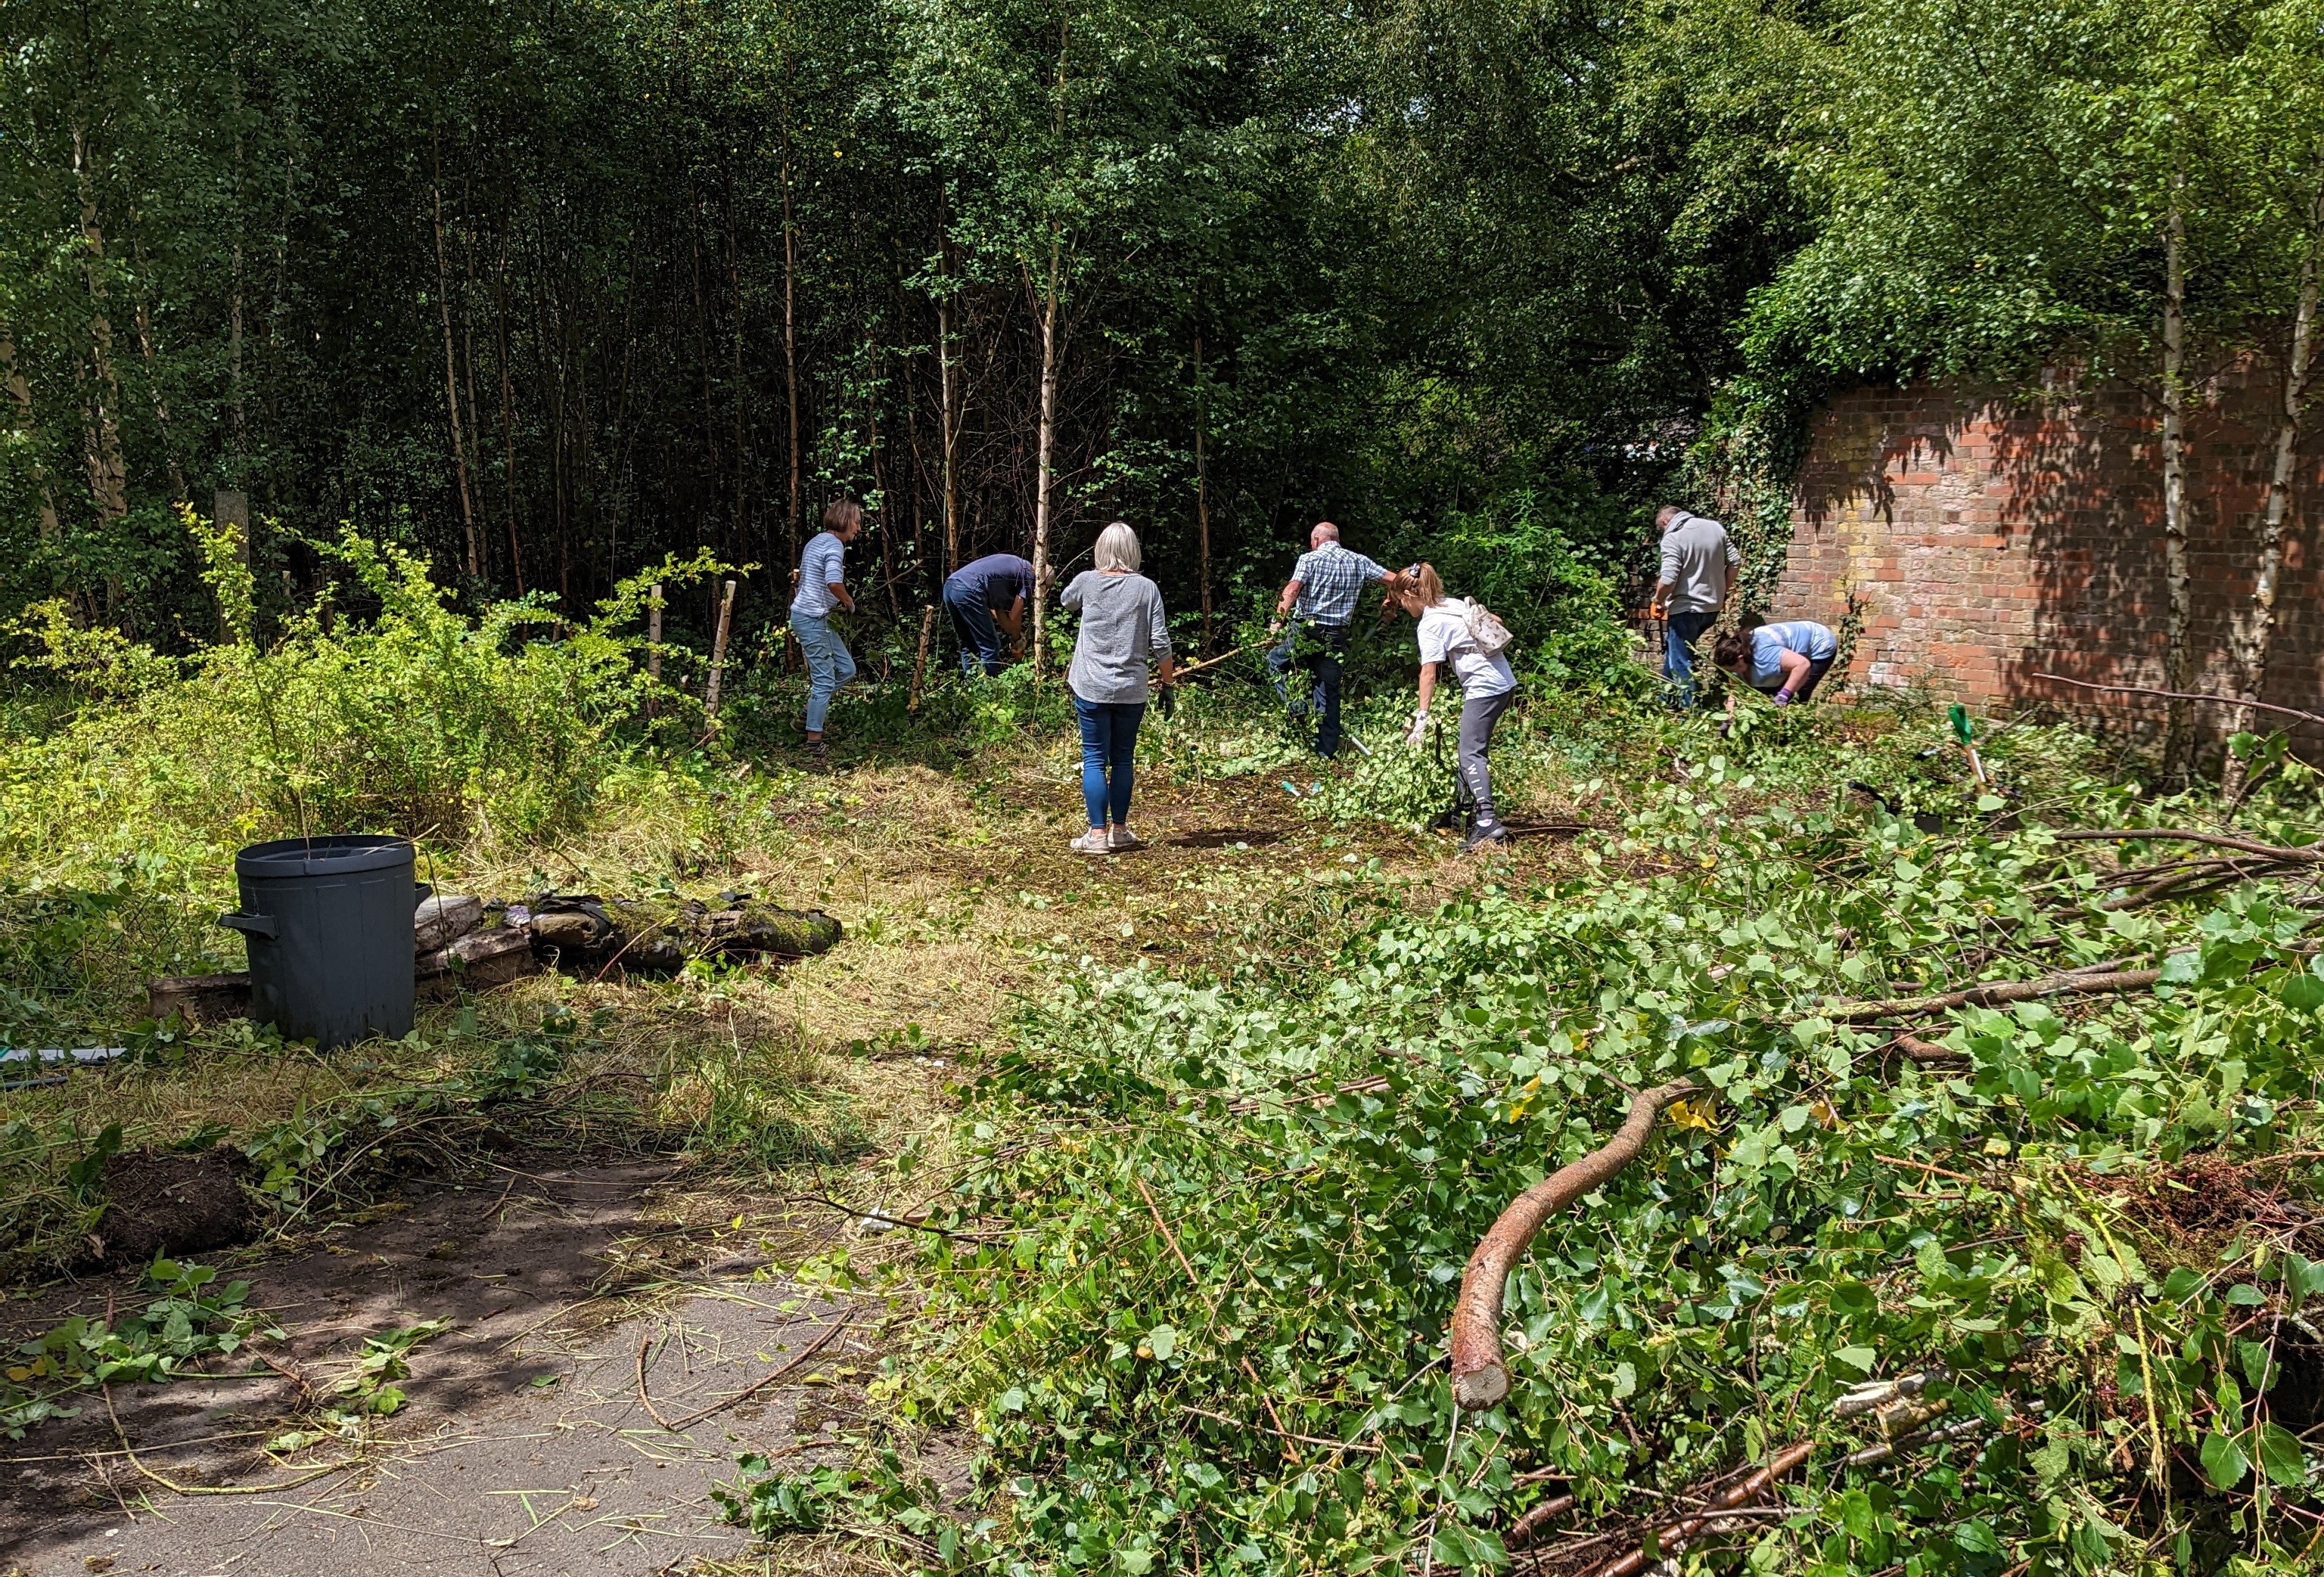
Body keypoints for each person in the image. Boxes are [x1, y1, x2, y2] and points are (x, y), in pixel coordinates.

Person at [1060, 522, 1174, 855]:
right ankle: (1119, 831)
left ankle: (1096, 836)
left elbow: (1067, 601)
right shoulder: (1147, 588)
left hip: (1091, 686)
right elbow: (1161, 643)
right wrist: (1168, 684)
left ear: (1101, 549)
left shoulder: (1087, 581)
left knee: (1094, 758)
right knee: (1123, 758)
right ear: (1133, 552)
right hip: (1130, 689)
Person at [1392, 563, 1517, 855]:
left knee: (1470, 752)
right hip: (1502, 682)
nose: (1400, 604)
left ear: (1411, 593)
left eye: (1401, 598)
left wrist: (1421, 717)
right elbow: (1494, 619)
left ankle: (1487, 821)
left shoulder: (1429, 623)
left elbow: (1428, 673)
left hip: (1486, 688)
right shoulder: (1453, 603)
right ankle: (1463, 812)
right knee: (1471, 748)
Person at [1268, 521, 1390, 758]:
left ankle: (1296, 706)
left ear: (1316, 540)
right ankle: (1326, 752)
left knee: (1276, 661)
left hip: (1306, 631)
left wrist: (1276, 624)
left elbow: (1292, 590)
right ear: (1337, 539)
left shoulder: (1309, 559)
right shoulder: (1359, 561)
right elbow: (1396, 581)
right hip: (1336, 635)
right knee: (1328, 692)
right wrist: (1389, 602)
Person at [790, 498, 863, 761]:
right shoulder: (834, 546)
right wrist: (848, 601)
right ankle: (813, 741)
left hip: (814, 617)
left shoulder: (817, 541)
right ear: (844, 521)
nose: (858, 527)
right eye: (856, 521)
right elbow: (834, 581)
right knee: (824, 680)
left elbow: (806, 576)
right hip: (812, 619)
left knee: (847, 669)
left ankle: (808, 714)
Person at [1649, 506, 1741, 709]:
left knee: (1681, 661)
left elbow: (1669, 578)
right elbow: (1735, 562)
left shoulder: (1673, 537)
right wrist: (1723, 592)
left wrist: (1658, 600)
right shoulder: (1715, 528)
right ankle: (1665, 702)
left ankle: (1690, 714)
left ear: (1665, 522)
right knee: (1676, 651)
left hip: (1686, 610)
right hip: (1711, 609)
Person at [943, 551, 1033, 675]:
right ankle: (986, 690)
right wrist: (1018, 640)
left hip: (951, 585)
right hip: (970, 588)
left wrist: (1014, 638)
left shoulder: (1010, 571)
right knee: (990, 645)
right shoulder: (1029, 574)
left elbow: (1000, 615)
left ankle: (970, 686)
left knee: (968, 643)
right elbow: (1014, 617)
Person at [1714, 619, 1838, 706]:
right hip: (1789, 651)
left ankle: (1797, 727)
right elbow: (1735, 694)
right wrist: (1729, 719)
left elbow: (1802, 664)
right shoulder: (1736, 658)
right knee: (1776, 691)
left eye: (1731, 670)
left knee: (1800, 691)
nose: (1731, 674)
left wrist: (1784, 694)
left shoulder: (1765, 655)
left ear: (1740, 659)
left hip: (1819, 642)